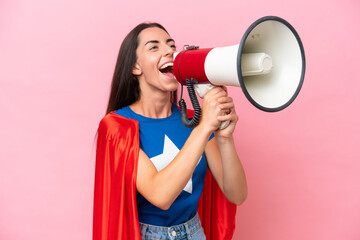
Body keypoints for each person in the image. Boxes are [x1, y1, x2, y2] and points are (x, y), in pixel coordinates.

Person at [93, 22, 248, 240]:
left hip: (195, 233)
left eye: (171, 45)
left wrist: (224, 138)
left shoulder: (197, 120)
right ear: (135, 67)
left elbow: (237, 194)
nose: (169, 51)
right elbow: (160, 195)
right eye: (153, 47)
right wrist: (204, 127)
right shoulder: (117, 126)